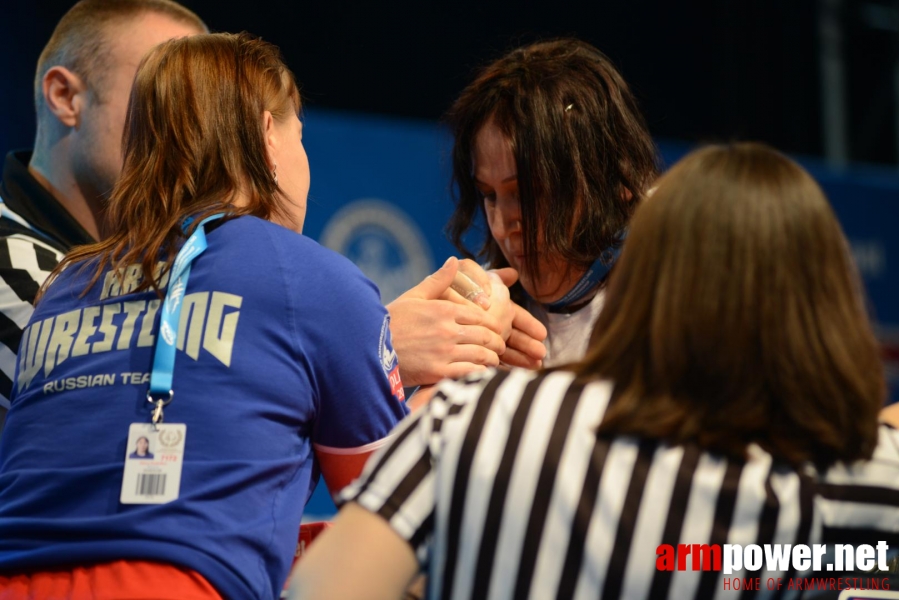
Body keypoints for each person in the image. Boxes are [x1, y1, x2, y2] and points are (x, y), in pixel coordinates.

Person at [289, 143, 899, 600]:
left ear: (642, 277)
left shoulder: (478, 418)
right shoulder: (838, 486)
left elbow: (323, 591)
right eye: (491, 195)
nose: (508, 223)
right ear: (827, 304)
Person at [0, 32, 410, 599]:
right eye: (300, 136)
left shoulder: (64, 284)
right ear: (268, 137)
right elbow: (396, 516)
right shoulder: (315, 281)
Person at [0, 0, 207, 431]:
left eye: (204, 109)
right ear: (66, 97)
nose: (195, 132)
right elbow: (144, 418)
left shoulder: (172, 262)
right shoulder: (10, 269)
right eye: (164, 95)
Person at [444, 38, 659, 367]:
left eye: (526, 194)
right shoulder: (480, 318)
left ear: (613, 179)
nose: (502, 227)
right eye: (489, 195)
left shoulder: (678, 295)